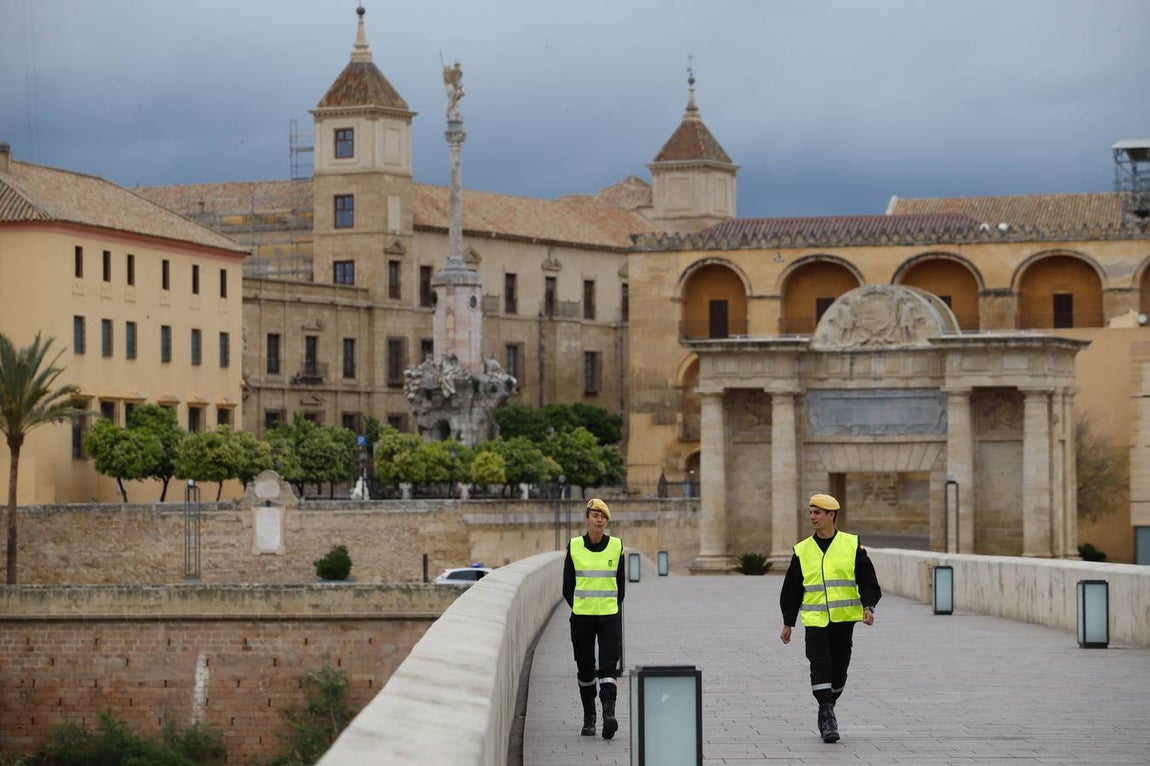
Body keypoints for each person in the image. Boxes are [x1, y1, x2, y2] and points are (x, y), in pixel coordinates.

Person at [779, 493, 881, 743]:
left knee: (839, 671)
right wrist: (788, 622)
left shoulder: (851, 545)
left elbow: (868, 580)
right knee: (820, 665)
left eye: (817, 512)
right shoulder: (802, 550)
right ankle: (826, 714)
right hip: (815, 621)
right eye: (810, 512)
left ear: (831, 515)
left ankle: (828, 704)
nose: (812, 517)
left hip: (844, 619)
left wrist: (869, 606)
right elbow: (792, 589)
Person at [562, 497, 625, 739]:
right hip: (582, 618)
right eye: (595, 515)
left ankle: (609, 714)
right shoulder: (575, 546)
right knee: (586, 669)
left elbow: (620, 585)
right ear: (587, 519)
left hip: (609, 616)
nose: (600, 520)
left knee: (608, 667)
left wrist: (610, 607)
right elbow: (567, 585)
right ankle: (590, 716)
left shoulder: (616, 545)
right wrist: (580, 605)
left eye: (603, 516)